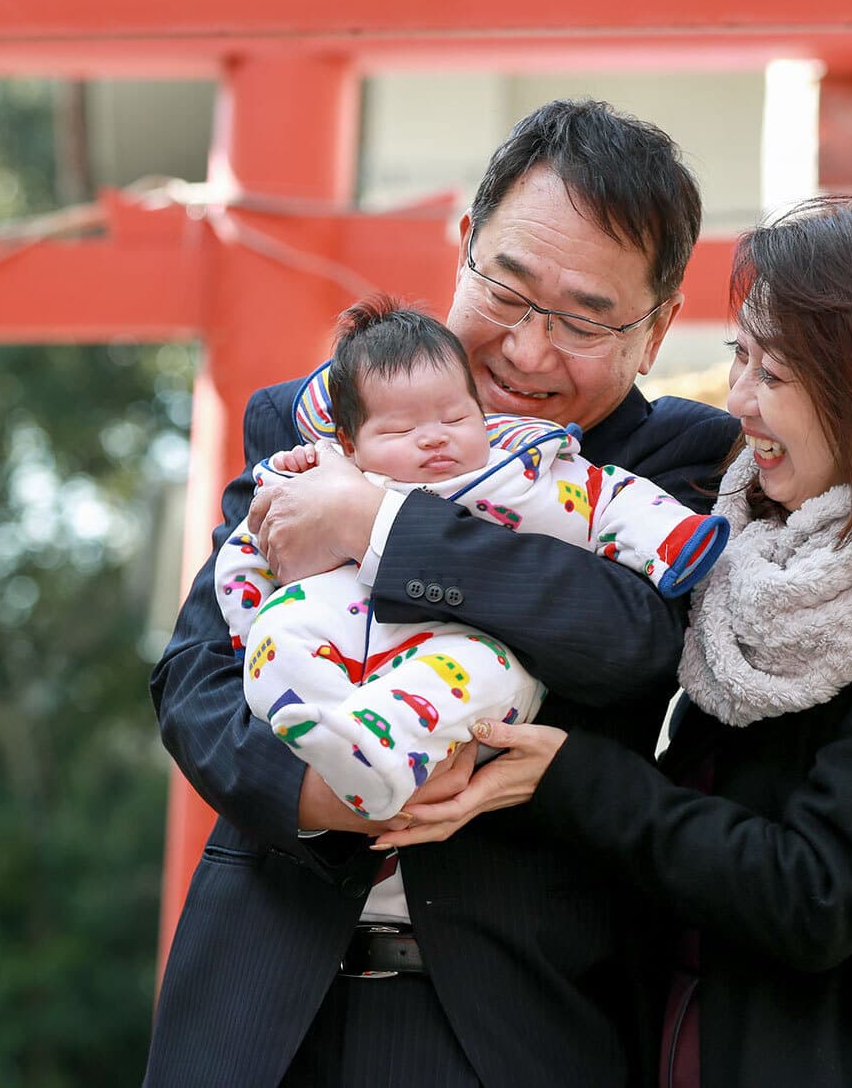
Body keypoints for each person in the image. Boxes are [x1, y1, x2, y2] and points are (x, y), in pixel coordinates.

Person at [380, 191, 852, 1087]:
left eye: (773, 376)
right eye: (741, 357)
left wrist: (575, 778)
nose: (737, 401)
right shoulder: (744, 568)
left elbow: (815, 893)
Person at [145, 99, 742, 1087]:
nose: (528, 349)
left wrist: (373, 525)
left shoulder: (669, 463)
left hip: (514, 1026)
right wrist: (340, 792)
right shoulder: (314, 418)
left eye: (585, 318)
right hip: (256, 1011)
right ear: (462, 246)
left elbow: (624, 637)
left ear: (656, 329)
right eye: (506, 291)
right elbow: (198, 679)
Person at [220, 296, 729, 822]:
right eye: (399, 431)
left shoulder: (519, 473)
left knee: (483, 670)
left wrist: (673, 538)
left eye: (455, 416)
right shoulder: (317, 465)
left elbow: (612, 500)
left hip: (460, 645)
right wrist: (249, 616)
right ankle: (332, 740)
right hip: (338, 624)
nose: (435, 436)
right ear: (349, 442)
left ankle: (379, 751)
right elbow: (248, 552)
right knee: (280, 633)